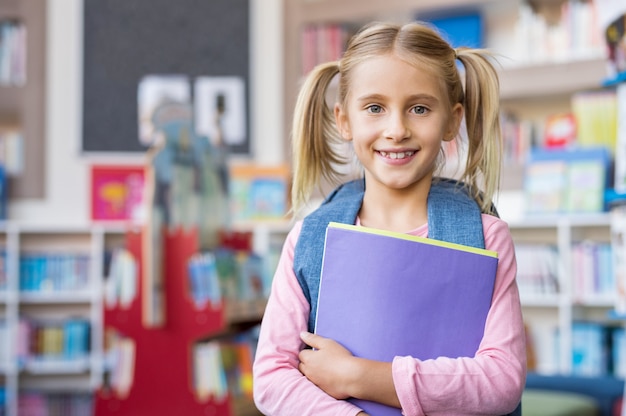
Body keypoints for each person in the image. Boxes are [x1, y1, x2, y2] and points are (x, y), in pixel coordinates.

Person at [253, 21, 526, 416]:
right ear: (344, 120)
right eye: (375, 108)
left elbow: (502, 381)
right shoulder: (308, 239)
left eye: (419, 108)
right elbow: (272, 377)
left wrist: (357, 377)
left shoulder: (486, 237)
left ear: (452, 120)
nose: (396, 130)